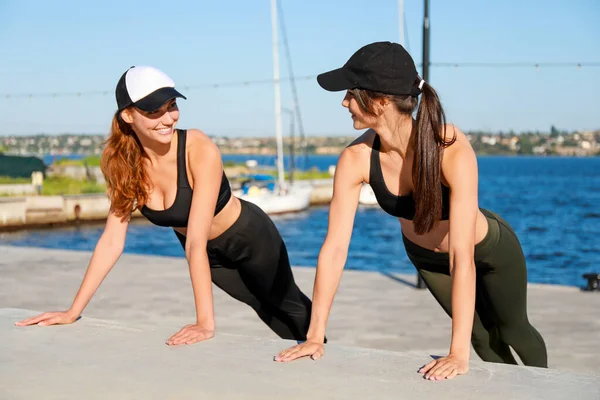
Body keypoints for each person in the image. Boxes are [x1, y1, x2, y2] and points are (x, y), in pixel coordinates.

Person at [274, 42, 547, 379]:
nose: (344, 102)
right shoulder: (355, 159)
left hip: (487, 249)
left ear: (381, 101)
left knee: (513, 330)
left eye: (350, 93)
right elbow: (334, 249)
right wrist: (314, 335)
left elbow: (461, 255)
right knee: (480, 338)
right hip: (428, 260)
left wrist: (456, 355)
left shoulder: (449, 147)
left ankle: (543, 387)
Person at [15, 65, 316, 346]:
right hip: (209, 254)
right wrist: (72, 311)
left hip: (249, 236)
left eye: (171, 106)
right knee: (259, 304)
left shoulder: (197, 147)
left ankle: (318, 346)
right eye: (153, 111)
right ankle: (305, 359)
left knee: (286, 301)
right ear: (128, 116)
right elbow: (111, 241)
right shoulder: (123, 164)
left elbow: (195, 242)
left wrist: (204, 324)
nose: (168, 118)